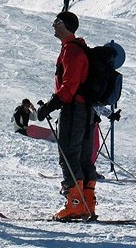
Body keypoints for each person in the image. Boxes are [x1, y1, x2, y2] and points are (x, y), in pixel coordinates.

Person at [37, 11, 97, 220]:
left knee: (69, 156)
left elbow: (69, 86)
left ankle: (75, 204)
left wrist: (50, 106)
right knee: (82, 158)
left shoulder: (71, 51)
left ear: (66, 25)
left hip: (74, 110)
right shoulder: (77, 48)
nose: (53, 25)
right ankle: (87, 203)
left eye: (57, 22)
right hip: (86, 110)